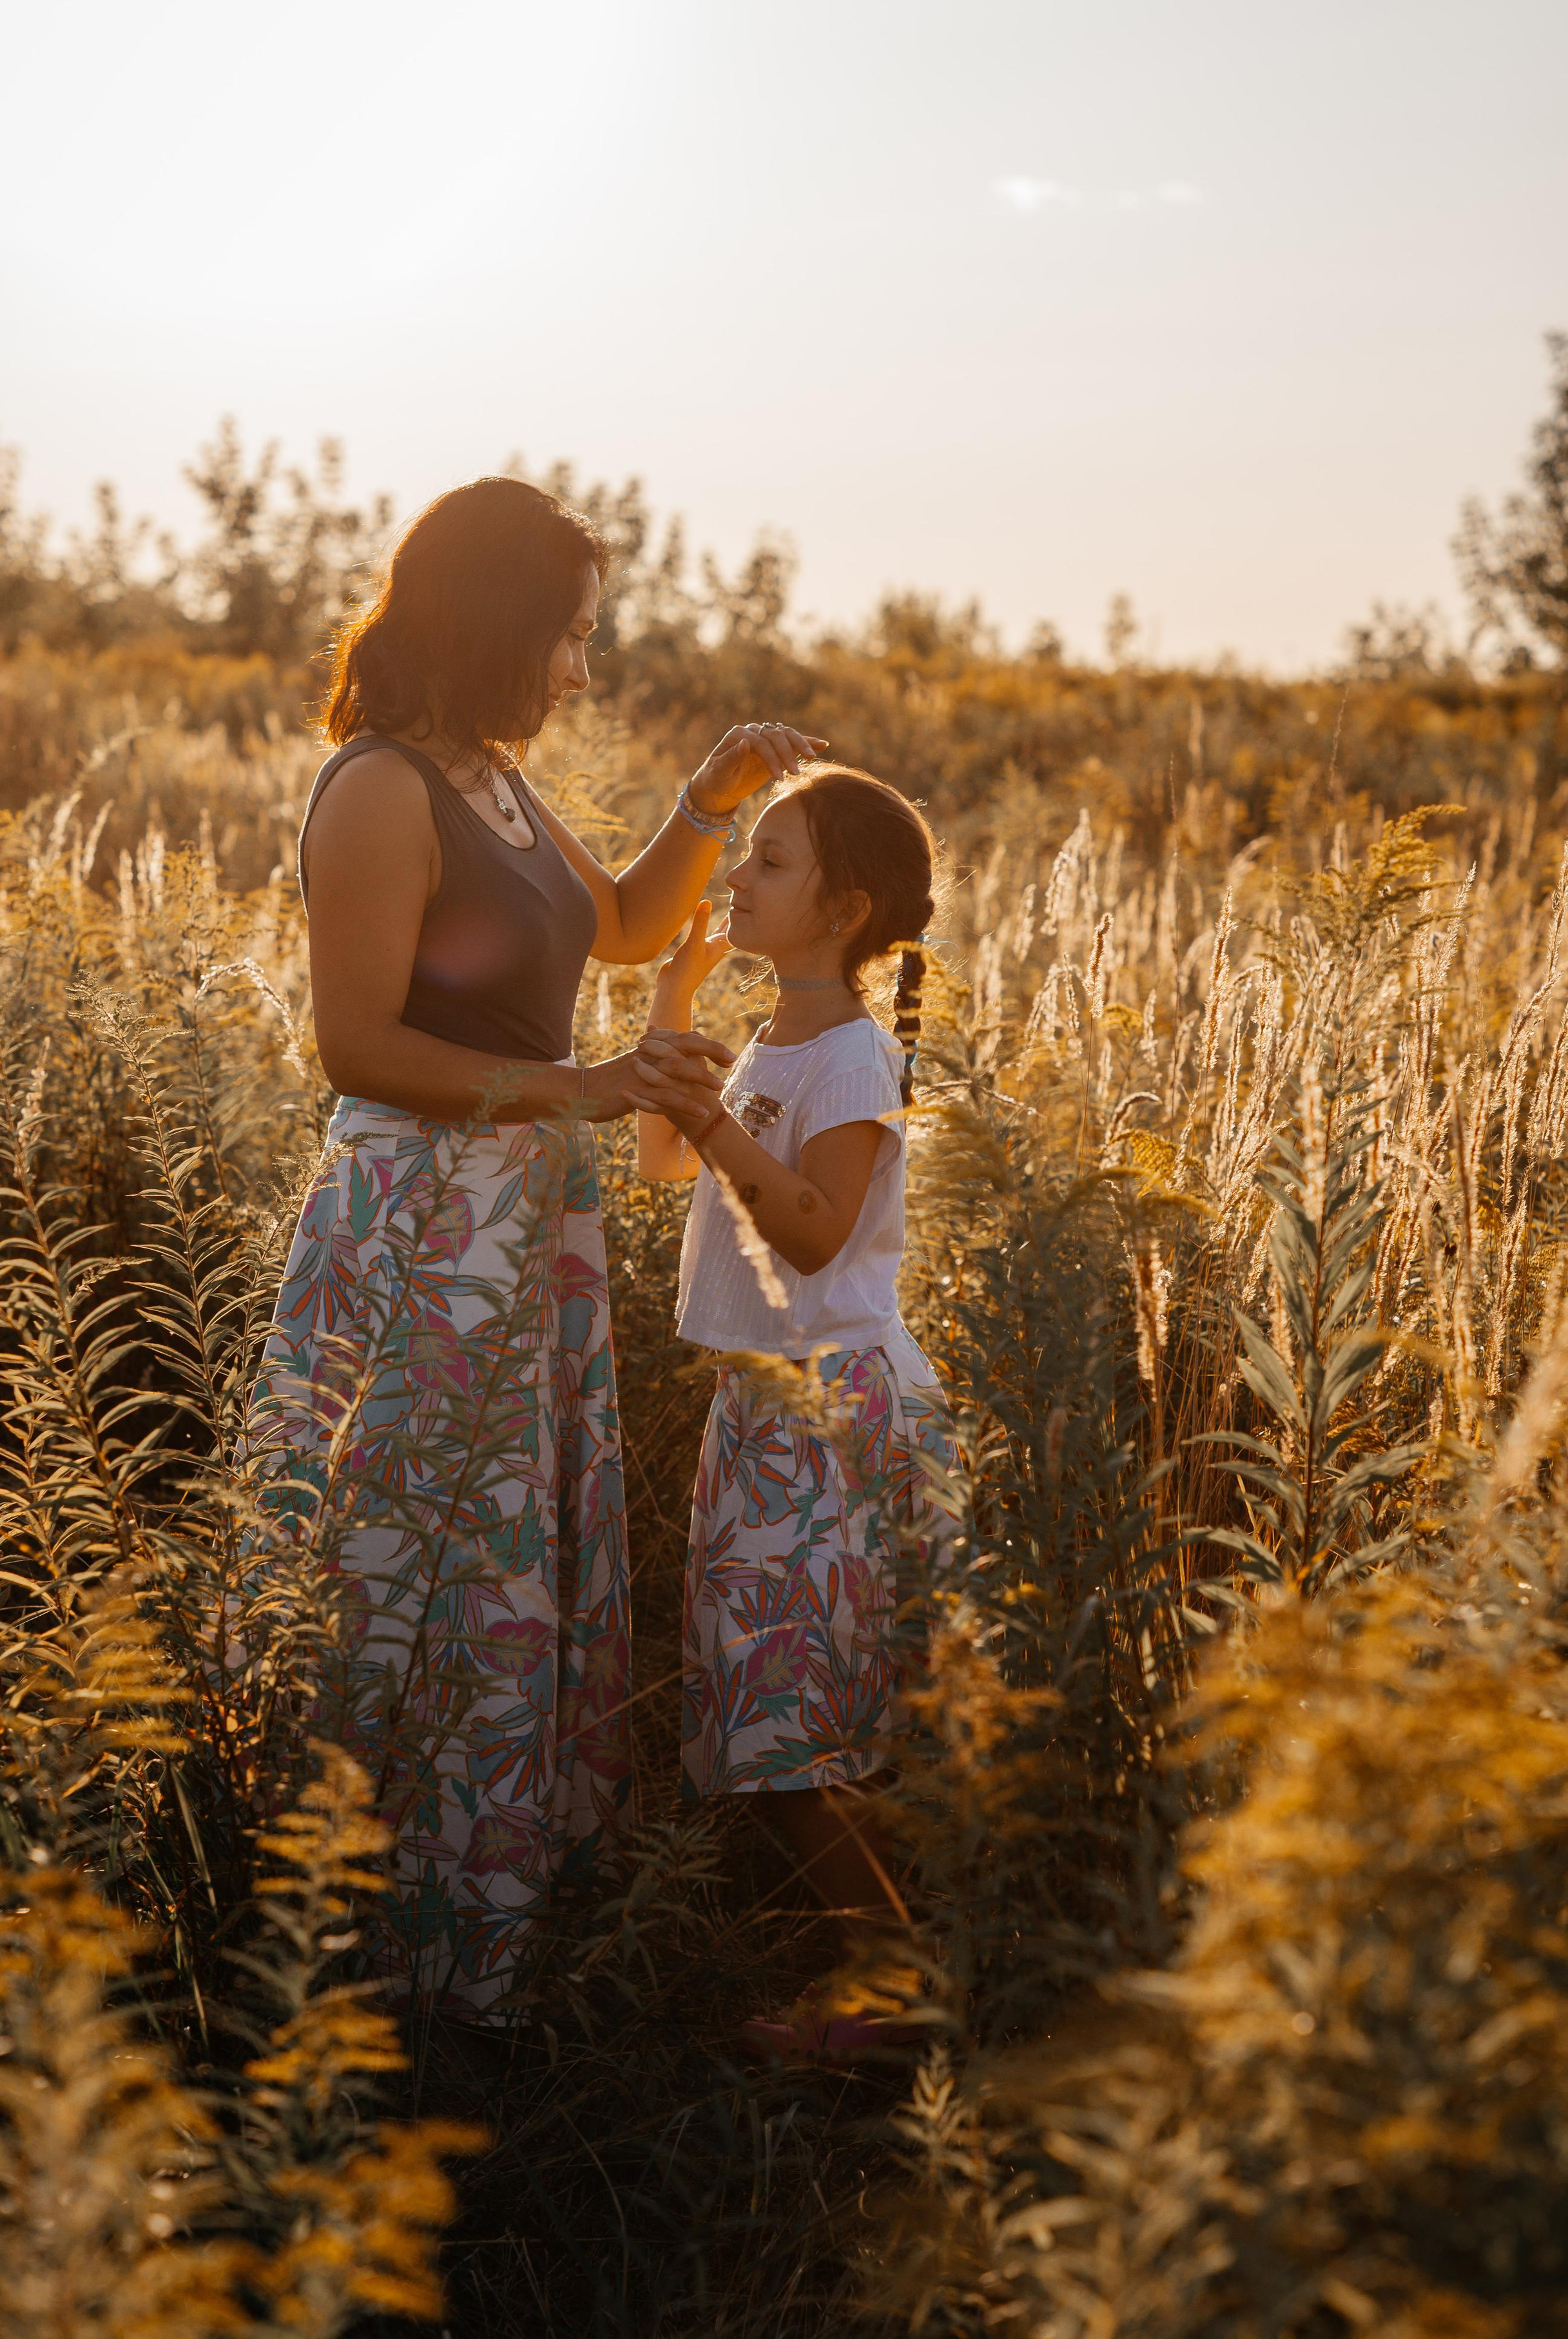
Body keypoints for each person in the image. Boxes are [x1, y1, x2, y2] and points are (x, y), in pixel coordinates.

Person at [247, 472, 824, 2013]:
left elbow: (625, 927)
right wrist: (585, 1087)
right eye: (568, 636)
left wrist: (711, 795)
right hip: (422, 1227)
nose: (581, 669)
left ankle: (477, 1931)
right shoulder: (379, 786)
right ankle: (361, 1956)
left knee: (496, 1564)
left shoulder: (492, 780)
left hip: (517, 1222)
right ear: (494, 622)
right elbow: (354, 1044)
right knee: (413, 1566)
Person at [635, 762, 954, 2056]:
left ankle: (890, 1994)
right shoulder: (772, 1040)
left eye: (769, 862)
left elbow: (815, 1237)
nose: (736, 880)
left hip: (829, 1414)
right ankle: (891, 1967)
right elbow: (665, 1162)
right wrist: (671, 1010)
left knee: (798, 1726)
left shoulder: (855, 1057)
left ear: (844, 910)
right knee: (797, 1718)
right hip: (761, 1413)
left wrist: (714, 1119)